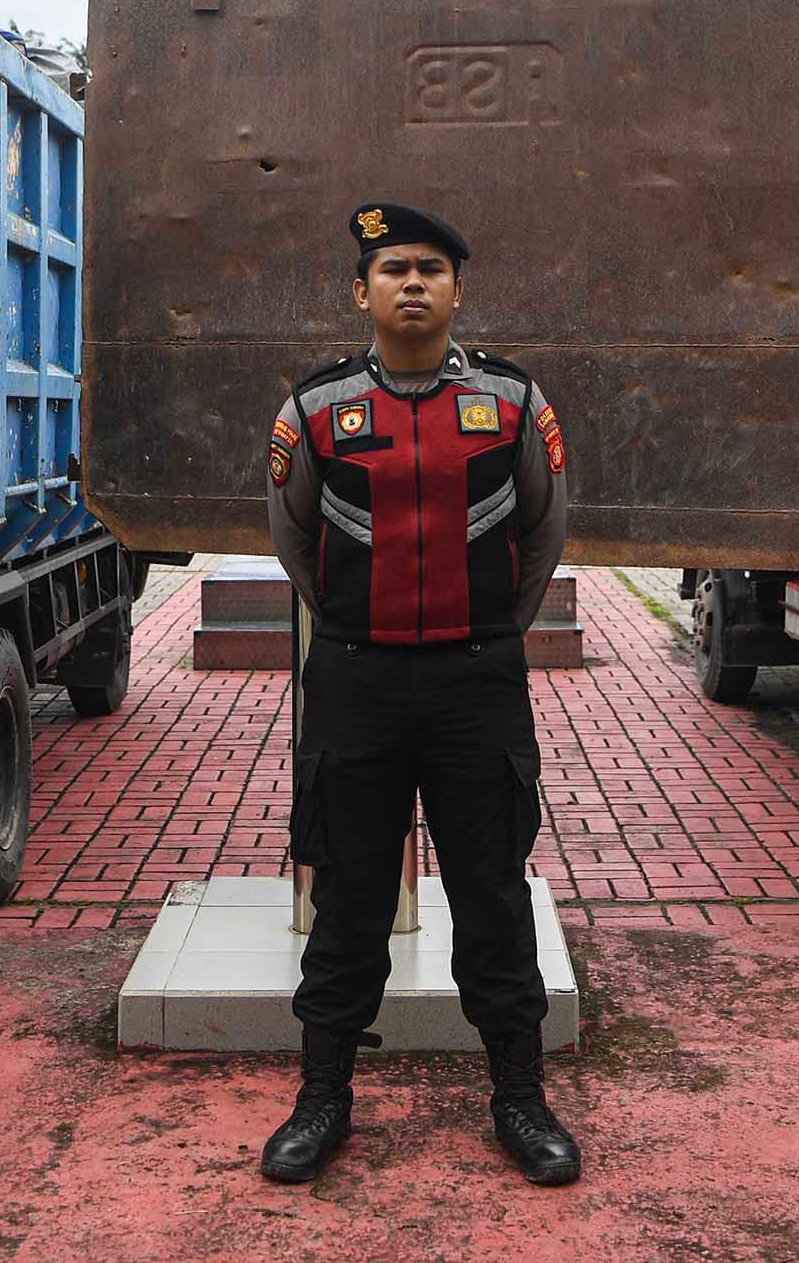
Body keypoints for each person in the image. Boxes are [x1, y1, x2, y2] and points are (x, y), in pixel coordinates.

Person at [259, 201, 579, 1186]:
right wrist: (359, 631)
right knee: (348, 891)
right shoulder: (312, 410)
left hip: (474, 683)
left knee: (491, 890)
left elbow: (544, 534)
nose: (411, 282)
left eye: (430, 267)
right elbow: (295, 545)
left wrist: (482, 636)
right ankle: (323, 1097)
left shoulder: (515, 401)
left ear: (456, 289)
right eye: (391, 266)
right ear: (360, 290)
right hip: (352, 679)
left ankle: (520, 1098)